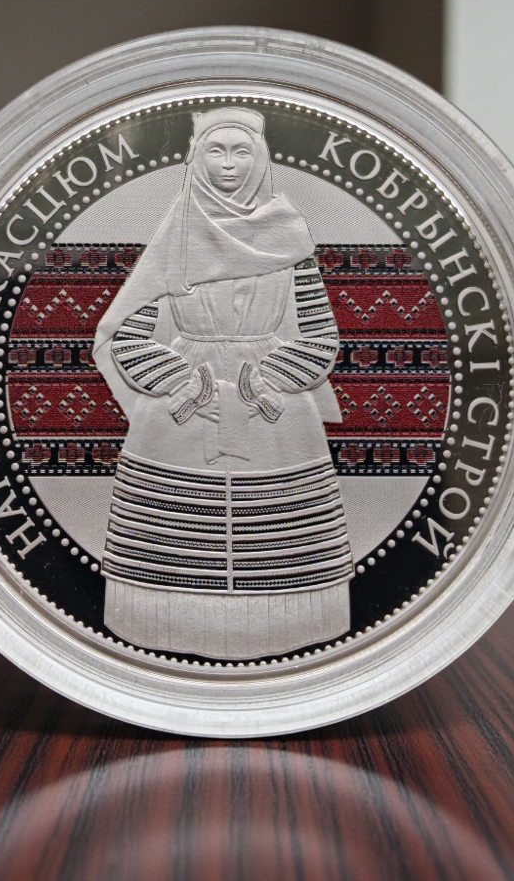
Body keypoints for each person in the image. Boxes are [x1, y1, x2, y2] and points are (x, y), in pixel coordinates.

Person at [92, 107, 352, 658]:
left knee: (280, 533)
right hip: (182, 405)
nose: (229, 164)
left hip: (276, 408)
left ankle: (287, 627)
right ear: (196, 159)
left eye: (241, 151)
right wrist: (183, 384)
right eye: (216, 150)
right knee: (173, 531)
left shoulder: (289, 238)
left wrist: (269, 380)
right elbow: (130, 336)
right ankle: (163, 625)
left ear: (261, 160)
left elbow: (320, 336)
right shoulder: (174, 237)